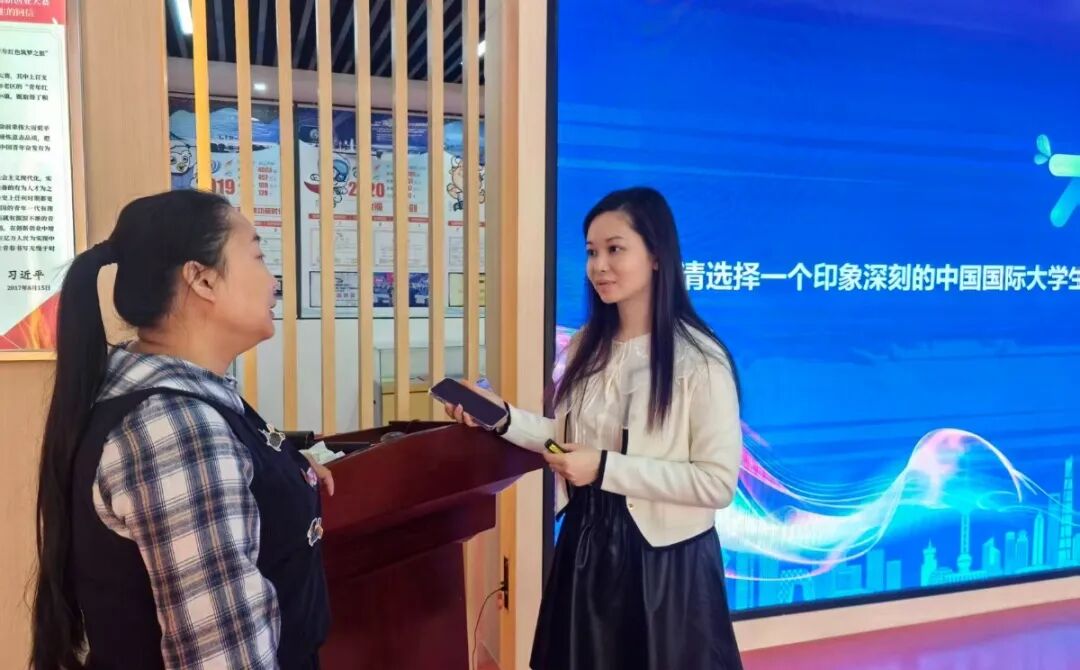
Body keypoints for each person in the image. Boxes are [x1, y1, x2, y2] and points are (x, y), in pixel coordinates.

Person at [31, 190, 333, 670]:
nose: (273, 281)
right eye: (258, 257)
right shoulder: (177, 427)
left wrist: (282, 473)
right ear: (203, 279)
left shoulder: (170, 400)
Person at [447, 187, 744, 669]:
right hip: (586, 546)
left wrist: (605, 468)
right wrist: (501, 417)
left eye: (614, 249)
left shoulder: (699, 359)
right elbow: (565, 442)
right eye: (591, 252)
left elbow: (716, 482)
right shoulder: (588, 345)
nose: (598, 266)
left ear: (656, 256)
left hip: (663, 565)